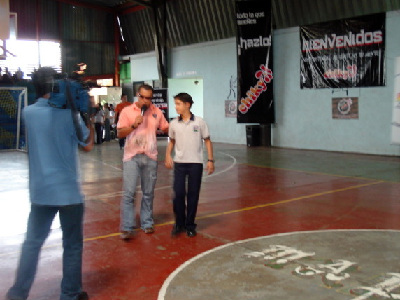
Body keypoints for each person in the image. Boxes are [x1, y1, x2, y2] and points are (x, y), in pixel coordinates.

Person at [6, 67, 94, 300]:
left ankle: (17, 294)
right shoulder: (69, 115)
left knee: (32, 243)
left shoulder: (29, 113)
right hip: (69, 195)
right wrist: (88, 115)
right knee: (72, 245)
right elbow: (88, 145)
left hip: (41, 193)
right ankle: (70, 293)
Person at [117, 84, 169, 240]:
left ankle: (147, 222)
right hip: (132, 156)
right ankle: (127, 227)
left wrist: (182, 123)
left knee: (148, 193)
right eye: (143, 97)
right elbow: (119, 133)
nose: (146, 101)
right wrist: (134, 125)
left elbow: (166, 128)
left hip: (150, 156)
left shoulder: (156, 112)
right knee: (129, 193)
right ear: (137, 95)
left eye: (149, 98)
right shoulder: (127, 111)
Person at [165, 93, 215, 237]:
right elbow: (172, 141)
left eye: (178, 104)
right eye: (175, 104)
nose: (176, 107)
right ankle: (179, 223)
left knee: (193, 195)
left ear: (187, 104)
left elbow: (207, 141)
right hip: (180, 164)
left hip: (195, 164)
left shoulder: (199, 122)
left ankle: (190, 225)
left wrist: (210, 160)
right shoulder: (174, 123)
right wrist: (168, 155)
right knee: (179, 194)